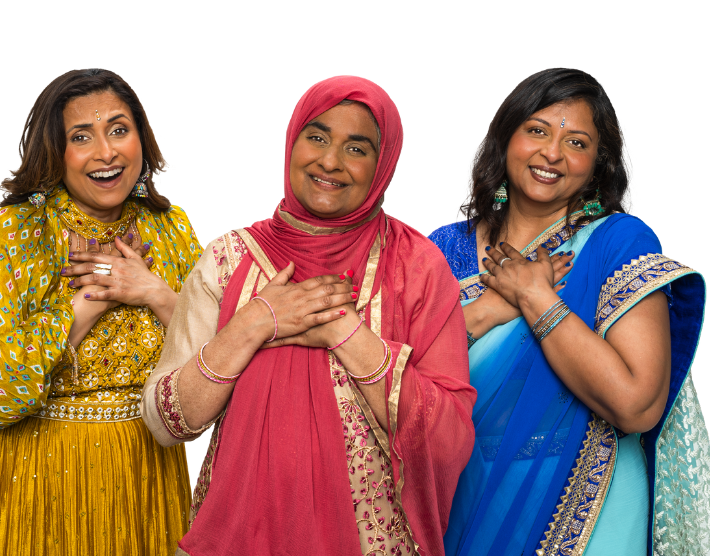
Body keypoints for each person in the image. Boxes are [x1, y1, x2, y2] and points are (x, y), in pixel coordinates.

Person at [138, 76, 476, 556]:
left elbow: (449, 440)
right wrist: (255, 323)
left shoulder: (415, 267)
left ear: (382, 166)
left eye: (356, 148)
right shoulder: (230, 261)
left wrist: (342, 330)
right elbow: (166, 422)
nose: (330, 161)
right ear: (292, 141)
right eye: (316, 137)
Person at [429, 68, 710, 556]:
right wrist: (489, 309)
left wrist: (538, 299)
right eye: (537, 130)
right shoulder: (440, 250)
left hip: (589, 505)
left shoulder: (615, 243)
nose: (553, 154)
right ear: (505, 138)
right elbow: (399, 384)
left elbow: (636, 405)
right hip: (464, 500)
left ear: (597, 164)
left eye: (576, 142)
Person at [0, 69, 201, 556]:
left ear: (142, 137)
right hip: (27, 479)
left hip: (141, 482)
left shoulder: (171, 230)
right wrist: (88, 299)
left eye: (119, 130)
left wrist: (154, 292)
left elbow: (217, 364)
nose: (106, 152)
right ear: (54, 152)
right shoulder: (16, 233)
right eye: (82, 137)